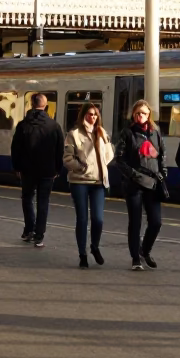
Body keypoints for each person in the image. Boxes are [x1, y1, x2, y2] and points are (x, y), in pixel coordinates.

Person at [115, 98, 166, 271]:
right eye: (137, 113)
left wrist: (163, 172)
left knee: (156, 222)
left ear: (149, 114)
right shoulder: (127, 133)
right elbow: (119, 159)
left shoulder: (155, 132)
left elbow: (161, 154)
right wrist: (133, 175)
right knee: (135, 222)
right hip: (134, 185)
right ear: (133, 115)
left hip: (153, 183)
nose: (140, 116)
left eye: (143, 113)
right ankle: (135, 258)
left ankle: (145, 250)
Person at [63, 101, 114, 268]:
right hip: (80, 182)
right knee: (82, 219)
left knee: (98, 219)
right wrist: (81, 167)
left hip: (99, 182)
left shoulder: (102, 132)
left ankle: (94, 246)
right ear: (83, 115)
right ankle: (82, 254)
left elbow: (109, 155)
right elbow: (67, 158)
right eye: (89, 114)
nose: (92, 117)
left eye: (95, 114)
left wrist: (103, 159)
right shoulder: (74, 134)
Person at [10, 92, 63, 247]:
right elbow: (60, 150)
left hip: (27, 170)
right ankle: (39, 235)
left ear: (32, 105)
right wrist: (57, 169)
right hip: (47, 171)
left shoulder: (23, 125)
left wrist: (17, 167)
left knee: (27, 198)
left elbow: (15, 148)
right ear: (45, 106)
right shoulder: (53, 126)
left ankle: (28, 230)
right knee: (43, 201)